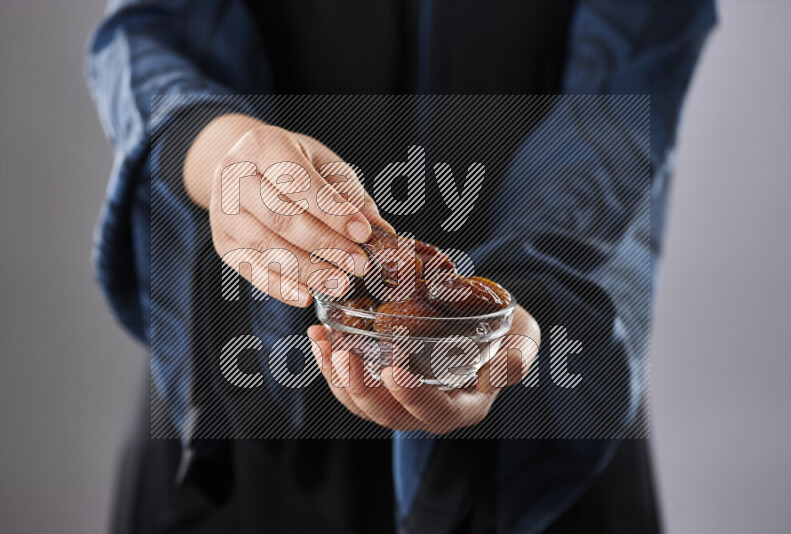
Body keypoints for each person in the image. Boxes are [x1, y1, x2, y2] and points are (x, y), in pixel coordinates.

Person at [86, 1, 716, 532]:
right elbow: (148, 29)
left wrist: (511, 302)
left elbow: (623, 92)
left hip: (541, 397)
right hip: (243, 393)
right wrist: (222, 152)